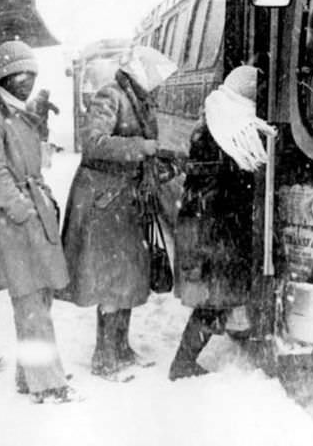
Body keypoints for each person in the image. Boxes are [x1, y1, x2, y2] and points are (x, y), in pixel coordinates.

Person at [59, 45, 178, 380]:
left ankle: (121, 348)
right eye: (155, 79)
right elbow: (94, 142)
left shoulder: (137, 100)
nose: (159, 86)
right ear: (141, 75)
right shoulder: (109, 96)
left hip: (122, 200)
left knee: (128, 275)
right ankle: (105, 358)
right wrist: (141, 148)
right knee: (112, 279)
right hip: (104, 201)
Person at [0, 41, 76, 403]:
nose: (27, 81)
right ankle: (47, 383)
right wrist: (21, 209)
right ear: (2, 75)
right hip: (9, 220)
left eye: (32, 73)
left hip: (29, 213)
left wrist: (40, 200)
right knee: (29, 299)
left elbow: (30, 165)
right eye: (19, 74)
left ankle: (31, 374)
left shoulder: (16, 112)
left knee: (39, 296)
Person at [168, 65, 274, 380]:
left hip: (211, 224)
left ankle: (193, 354)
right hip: (214, 228)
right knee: (214, 297)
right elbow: (225, 181)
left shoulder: (220, 117)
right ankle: (182, 364)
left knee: (220, 293)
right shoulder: (226, 129)